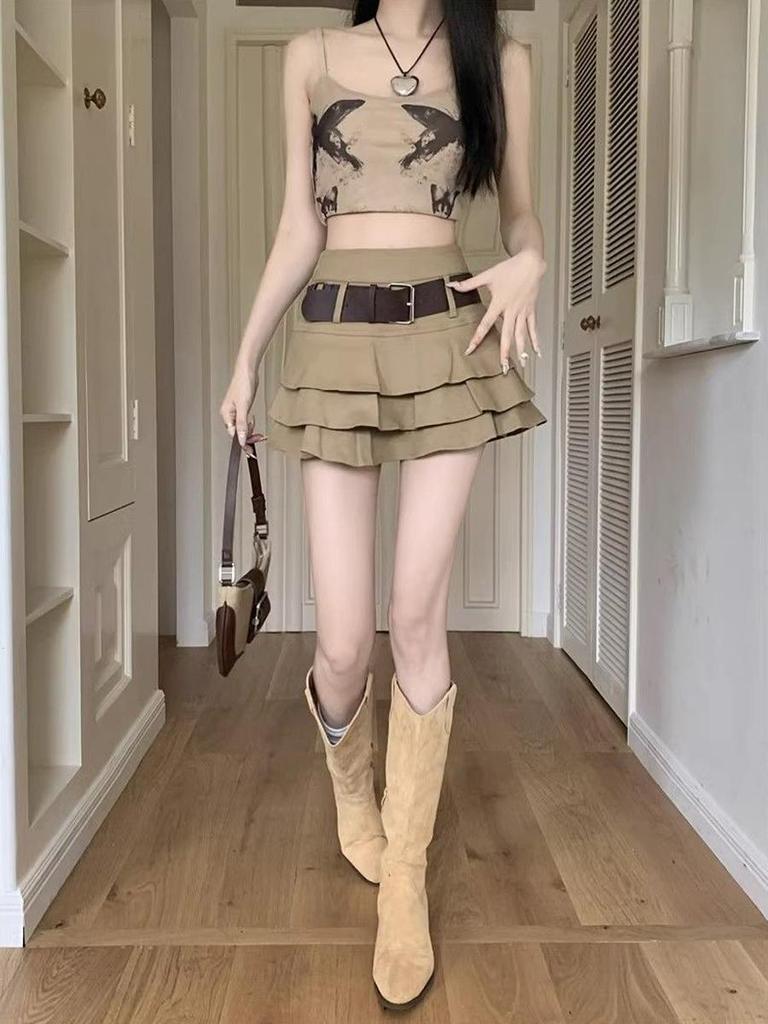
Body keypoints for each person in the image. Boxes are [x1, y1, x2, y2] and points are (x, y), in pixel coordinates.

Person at [219, 0, 546, 1009]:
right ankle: (352, 791)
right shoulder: (310, 54)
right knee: (342, 646)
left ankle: (405, 878)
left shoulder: (502, 59)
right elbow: (298, 226)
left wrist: (532, 257)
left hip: (451, 338)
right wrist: (245, 360)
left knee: (415, 618)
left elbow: (521, 215)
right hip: (331, 340)